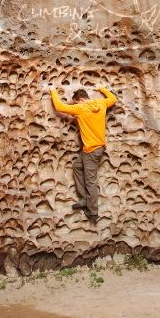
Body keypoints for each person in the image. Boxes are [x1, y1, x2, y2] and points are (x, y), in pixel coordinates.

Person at [50, 85, 117, 222]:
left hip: (92, 150)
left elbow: (59, 107)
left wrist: (53, 91)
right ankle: (84, 199)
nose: (74, 106)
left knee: (90, 181)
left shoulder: (80, 108)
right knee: (77, 166)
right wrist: (103, 89)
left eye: (75, 103)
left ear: (80, 100)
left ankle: (93, 213)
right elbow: (113, 99)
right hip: (92, 149)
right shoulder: (101, 103)